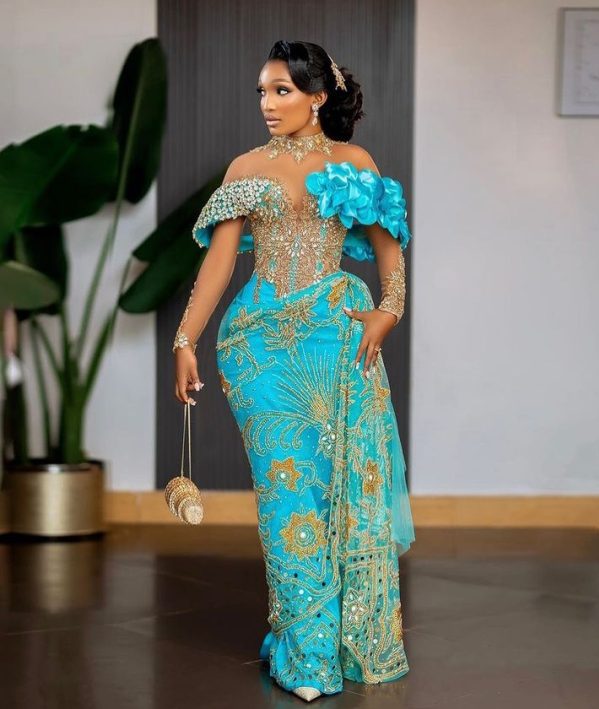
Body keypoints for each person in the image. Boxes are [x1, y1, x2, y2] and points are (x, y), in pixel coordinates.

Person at [173, 40, 415, 702]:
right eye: (262, 91)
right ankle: (306, 654)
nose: (267, 103)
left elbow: (389, 253)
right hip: (258, 348)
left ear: (318, 96)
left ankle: (327, 640)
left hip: (335, 342)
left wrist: (388, 313)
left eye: (281, 90)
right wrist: (185, 339)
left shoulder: (354, 162)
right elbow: (220, 262)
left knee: (335, 493)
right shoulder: (245, 167)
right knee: (285, 491)